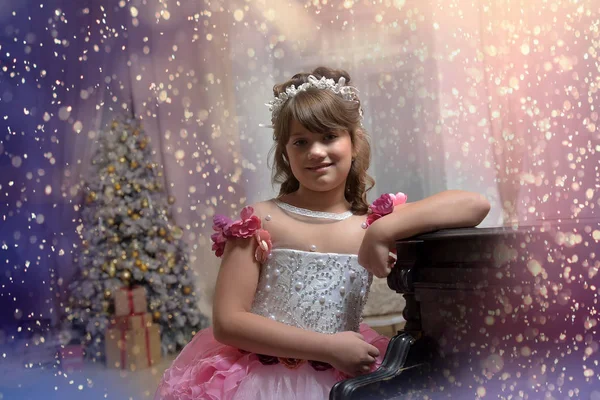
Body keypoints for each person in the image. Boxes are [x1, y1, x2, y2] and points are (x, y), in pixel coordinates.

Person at [154, 67, 490, 399]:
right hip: (261, 384)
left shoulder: (369, 223)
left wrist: (383, 229)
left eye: (329, 136)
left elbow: (474, 204)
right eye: (301, 141)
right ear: (286, 153)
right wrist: (327, 347)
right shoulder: (260, 221)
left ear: (354, 142)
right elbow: (228, 322)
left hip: (345, 381)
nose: (315, 151)